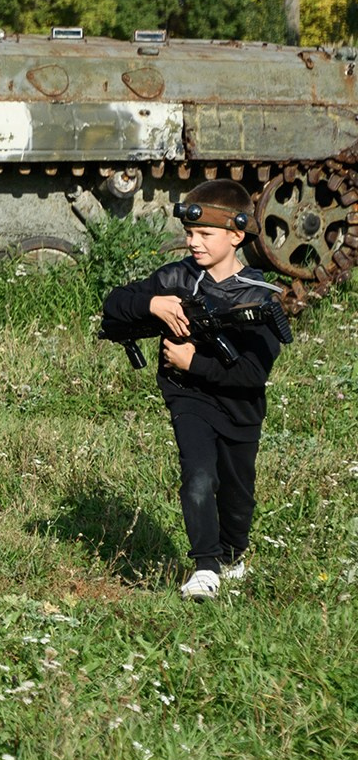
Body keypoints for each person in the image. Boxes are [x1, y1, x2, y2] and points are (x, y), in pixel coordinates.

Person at [98, 180, 292, 599]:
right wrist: (152, 304)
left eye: (205, 234)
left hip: (240, 407)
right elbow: (114, 305)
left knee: (238, 495)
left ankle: (232, 555)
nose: (193, 242)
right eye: (189, 233)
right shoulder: (177, 277)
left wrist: (192, 362)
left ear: (236, 235)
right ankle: (206, 567)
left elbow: (252, 375)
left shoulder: (258, 296)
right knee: (198, 476)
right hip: (188, 397)